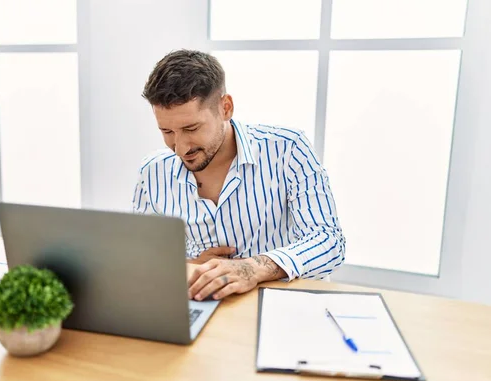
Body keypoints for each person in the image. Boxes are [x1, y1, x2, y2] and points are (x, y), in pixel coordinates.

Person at [133, 49, 345, 301]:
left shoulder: (288, 148)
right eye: (167, 131)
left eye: (191, 128)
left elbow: (329, 241)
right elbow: (145, 258)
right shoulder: (152, 171)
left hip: (280, 304)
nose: (180, 147)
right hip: (201, 306)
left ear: (225, 108)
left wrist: (254, 268)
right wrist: (192, 264)